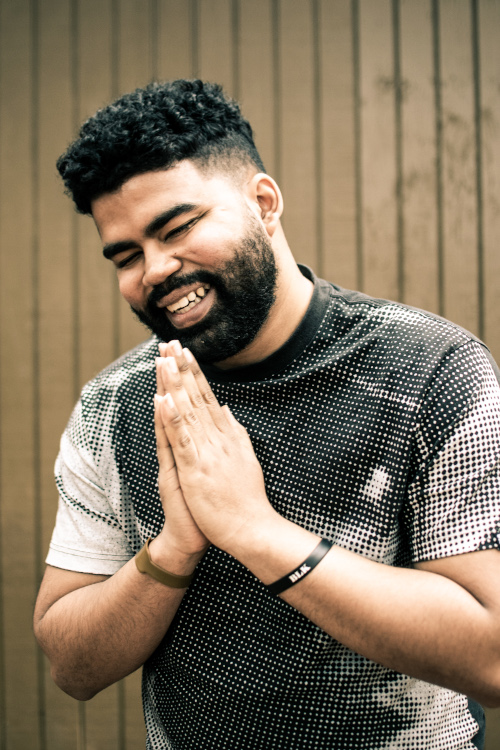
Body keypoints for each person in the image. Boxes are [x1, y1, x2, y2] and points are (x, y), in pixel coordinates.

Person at [33, 79, 500, 750]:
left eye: (177, 227)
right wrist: (174, 547)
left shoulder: (429, 371)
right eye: (128, 254)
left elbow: (490, 654)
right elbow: (71, 665)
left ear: (264, 202)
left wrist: (253, 530)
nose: (157, 269)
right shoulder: (118, 404)